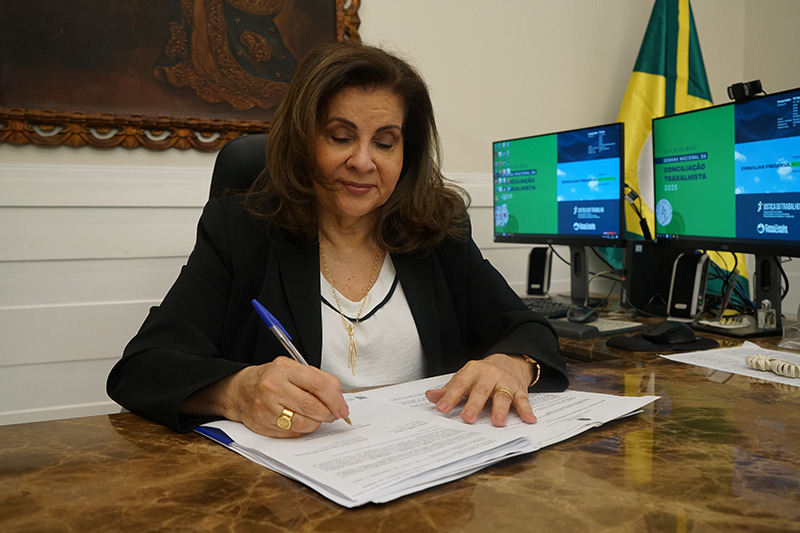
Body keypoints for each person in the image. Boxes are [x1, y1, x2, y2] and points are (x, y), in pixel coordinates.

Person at [107, 41, 569, 439]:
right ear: (303, 141)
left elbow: (527, 329)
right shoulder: (241, 230)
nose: (363, 162)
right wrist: (237, 391)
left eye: (385, 142)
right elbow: (143, 367)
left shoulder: (438, 232)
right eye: (341, 136)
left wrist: (512, 364)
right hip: (284, 492)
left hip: (426, 476)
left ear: (406, 155)